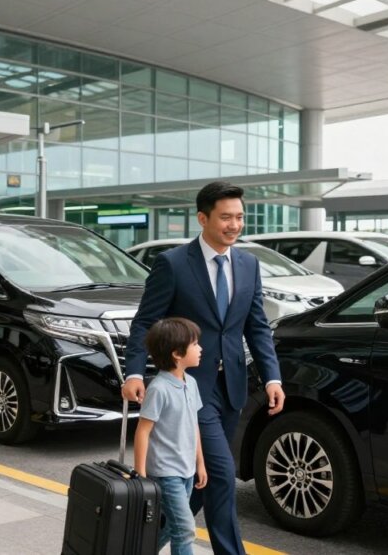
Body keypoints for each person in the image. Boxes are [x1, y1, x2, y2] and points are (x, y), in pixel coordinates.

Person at [123, 181, 285, 555]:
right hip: (188, 389)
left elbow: (256, 325)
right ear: (203, 218)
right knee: (223, 476)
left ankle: (139, 546)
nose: (234, 225)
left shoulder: (248, 263)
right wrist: (134, 372)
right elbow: (145, 322)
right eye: (226, 217)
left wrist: (272, 376)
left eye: (240, 217)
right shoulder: (173, 264)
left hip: (232, 388)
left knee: (200, 482)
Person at [135, 317, 208, 555]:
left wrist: (200, 463)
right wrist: (141, 474)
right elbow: (143, 431)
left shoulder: (192, 383)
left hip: (186, 470)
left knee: (172, 527)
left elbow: (193, 425)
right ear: (177, 353)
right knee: (185, 529)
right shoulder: (159, 388)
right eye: (195, 344)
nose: (200, 349)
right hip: (166, 473)